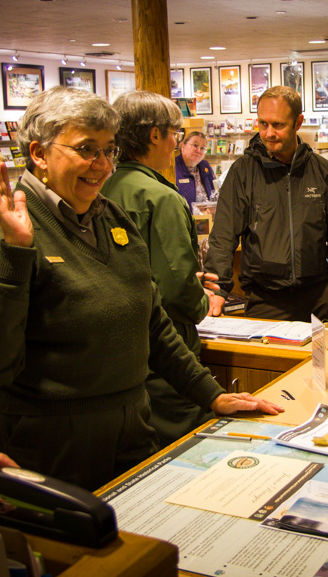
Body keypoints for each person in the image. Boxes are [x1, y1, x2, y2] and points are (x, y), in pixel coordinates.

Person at [0, 86, 282, 491]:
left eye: (109, 150)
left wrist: (210, 395)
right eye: (86, 149)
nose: (103, 166)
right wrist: (16, 254)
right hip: (49, 452)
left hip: (130, 437)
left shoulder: (110, 219)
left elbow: (153, 324)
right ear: (38, 154)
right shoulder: (1, 232)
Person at [101, 90, 225, 447]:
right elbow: (174, 291)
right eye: (175, 133)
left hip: (118, 356)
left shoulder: (98, 187)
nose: (177, 142)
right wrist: (201, 299)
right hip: (166, 356)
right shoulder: (163, 198)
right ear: (154, 134)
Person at [204, 86, 328, 320]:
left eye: (278, 125)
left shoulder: (323, 172)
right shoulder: (243, 172)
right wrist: (218, 288)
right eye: (263, 124)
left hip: (317, 297)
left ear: (298, 122)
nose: (268, 133)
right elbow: (224, 235)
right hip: (265, 299)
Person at [175, 131, 217, 212]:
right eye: (195, 145)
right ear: (183, 146)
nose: (198, 150)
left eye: (202, 148)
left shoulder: (205, 166)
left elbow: (213, 193)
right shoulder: (173, 167)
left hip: (206, 219)